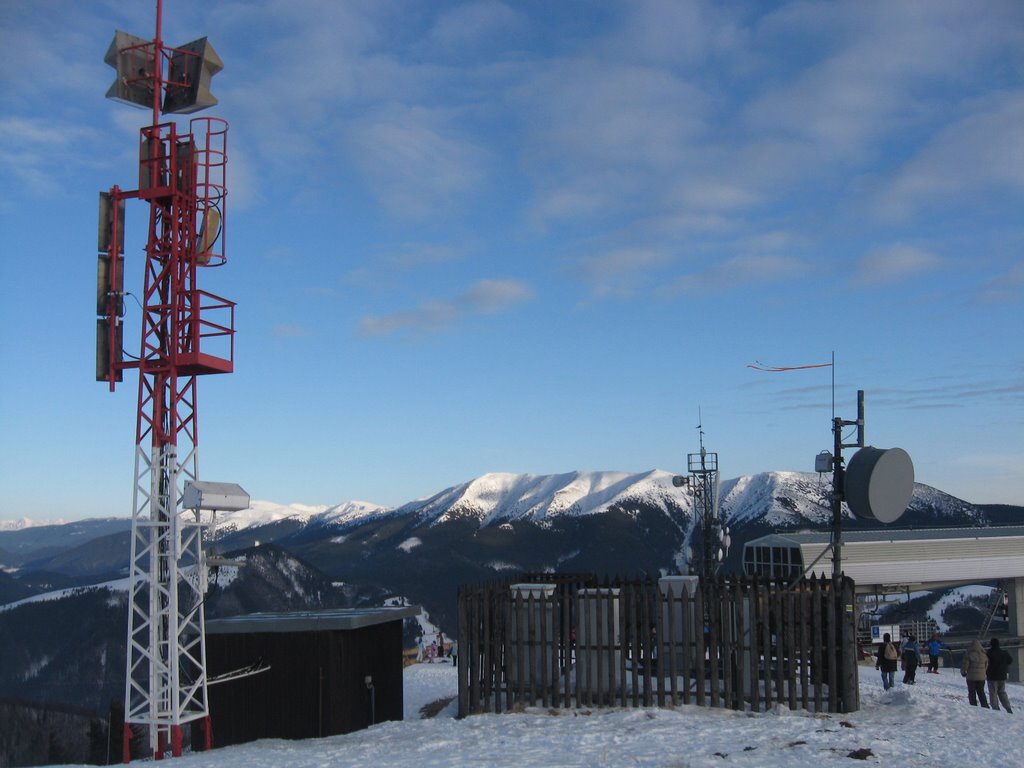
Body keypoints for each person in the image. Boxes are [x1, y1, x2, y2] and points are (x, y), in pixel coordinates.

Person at [986, 638, 1014, 713]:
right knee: (1002, 692)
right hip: (1002, 676)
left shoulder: (989, 653)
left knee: (993, 693)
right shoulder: (1004, 652)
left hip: (992, 676)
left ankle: (996, 709)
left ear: (991, 644)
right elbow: (1010, 660)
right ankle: (1008, 708)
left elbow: (986, 663)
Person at [961, 639, 990, 707]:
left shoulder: (969, 654)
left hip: (971, 677)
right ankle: (985, 705)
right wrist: (983, 672)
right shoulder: (984, 655)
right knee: (981, 692)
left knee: (972, 692)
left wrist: (963, 672)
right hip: (981, 678)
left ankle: (973, 706)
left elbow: (965, 666)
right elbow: (986, 665)